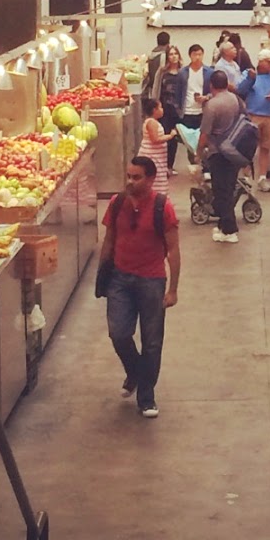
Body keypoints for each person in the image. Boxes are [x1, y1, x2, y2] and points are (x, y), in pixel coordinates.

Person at [98, 158, 179, 419]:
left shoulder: (162, 208)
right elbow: (109, 240)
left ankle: (146, 396)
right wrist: (102, 275)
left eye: (137, 177)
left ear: (151, 179)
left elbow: (173, 249)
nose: (130, 182)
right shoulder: (117, 203)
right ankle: (135, 371)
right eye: (129, 176)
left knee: (152, 341)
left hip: (151, 281)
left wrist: (173, 289)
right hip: (119, 279)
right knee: (118, 334)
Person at [198, 69, 243, 244]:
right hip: (235, 149)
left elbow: (204, 134)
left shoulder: (212, 105)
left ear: (211, 85)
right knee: (228, 188)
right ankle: (223, 224)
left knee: (221, 191)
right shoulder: (235, 99)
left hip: (218, 152)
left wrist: (198, 153)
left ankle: (230, 230)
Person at [236, 51, 270, 193]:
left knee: (266, 147)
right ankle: (246, 177)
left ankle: (262, 178)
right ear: (260, 61)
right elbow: (240, 90)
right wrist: (250, 79)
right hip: (252, 115)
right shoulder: (249, 73)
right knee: (248, 148)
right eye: (269, 62)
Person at [154, 44, 184, 170]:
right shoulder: (162, 72)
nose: (174, 56)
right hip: (165, 108)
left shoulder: (183, 72)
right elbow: (156, 88)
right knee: (165, 136)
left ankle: (170, 165)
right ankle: (164, 165)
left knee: (175, 137)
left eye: (175, 54)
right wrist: (156, 104)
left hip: (178, 109)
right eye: (171, 54)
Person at [174, 44, 210, 149]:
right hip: (187, 112)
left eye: (200, 54)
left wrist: (206, 97)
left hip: (202, 112)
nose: (197, 57)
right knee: (189, 143)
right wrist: (178, 109)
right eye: (195, 54)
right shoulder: (182, 72)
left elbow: (213, 91)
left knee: (203, 141)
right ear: (190, 56)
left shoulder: (209, 72)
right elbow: (178, 93)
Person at [136, 99, 174, 197]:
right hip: (152, 157)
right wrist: (170, 136)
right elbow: (155, 139)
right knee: (155, 180)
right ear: (154, 110)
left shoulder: (154, 122)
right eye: (160, 107)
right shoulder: (151, 122)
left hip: (157, 157)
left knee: (159, 178)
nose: (162, 110)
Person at [143, 31, 172, 100]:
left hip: (151, 88)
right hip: (161, 90)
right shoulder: (164, 55)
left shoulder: (151, 55)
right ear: (168, 42)